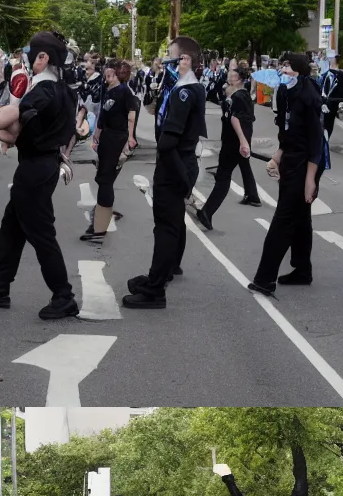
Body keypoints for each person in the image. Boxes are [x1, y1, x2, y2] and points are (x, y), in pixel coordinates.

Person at [0, 30, 80, 320]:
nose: (27, 59)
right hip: (42, 165)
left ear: (43, 57)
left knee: (42, 234)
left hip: (35, 170)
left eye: (31, 54)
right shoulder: (63, 89)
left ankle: (64, 295)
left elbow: (12, 129)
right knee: (12, 227)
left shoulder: (42, 91)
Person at [124, 36, 206, 308]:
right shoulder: (183, 87)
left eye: (172, 57)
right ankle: (156, 277)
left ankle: (155, 290)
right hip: (176, 163)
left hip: (175, 165)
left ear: (185, 61)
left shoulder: (186, 91)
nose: (165, 62)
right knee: (168, 225)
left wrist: (175, 168)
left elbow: (170, 138)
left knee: (165, 228)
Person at [248, 52, 325, 296]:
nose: (284, 70)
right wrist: (276, 157)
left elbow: (316, 142)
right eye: (282, 65)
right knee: (301, 219)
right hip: (291, 158)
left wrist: (310, 179)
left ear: (300, 70)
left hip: (306, 162)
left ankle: (265, 278)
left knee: (283, 220)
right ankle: (302, 270)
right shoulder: (284, 93)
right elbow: (286, 132)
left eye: (289, 66)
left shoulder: (309, 94)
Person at [194, 64, 260, 231]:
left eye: (231, 74)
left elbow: (236, 119)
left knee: (223, 179)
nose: (228, 75)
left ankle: (207, 212)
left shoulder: (240, 97)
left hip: (235, 143)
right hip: (234, 141)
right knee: (225, 176)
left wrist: (243, 142)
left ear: (238, 78)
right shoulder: (237, 95)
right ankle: (251, 195)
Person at [83, 59, 138, 241]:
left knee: (105, 179)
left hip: (117, 138)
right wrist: (97, 135)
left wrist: (130, 137)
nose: (107, 76)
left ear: (118, 74)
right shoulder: (108, 90)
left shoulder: (124, 91)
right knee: (104, 178)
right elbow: (102, 117)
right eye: (106, 74)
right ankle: (102, 218)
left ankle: (99, 227)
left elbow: (131, 115)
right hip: (107, 137)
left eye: (111, 74)